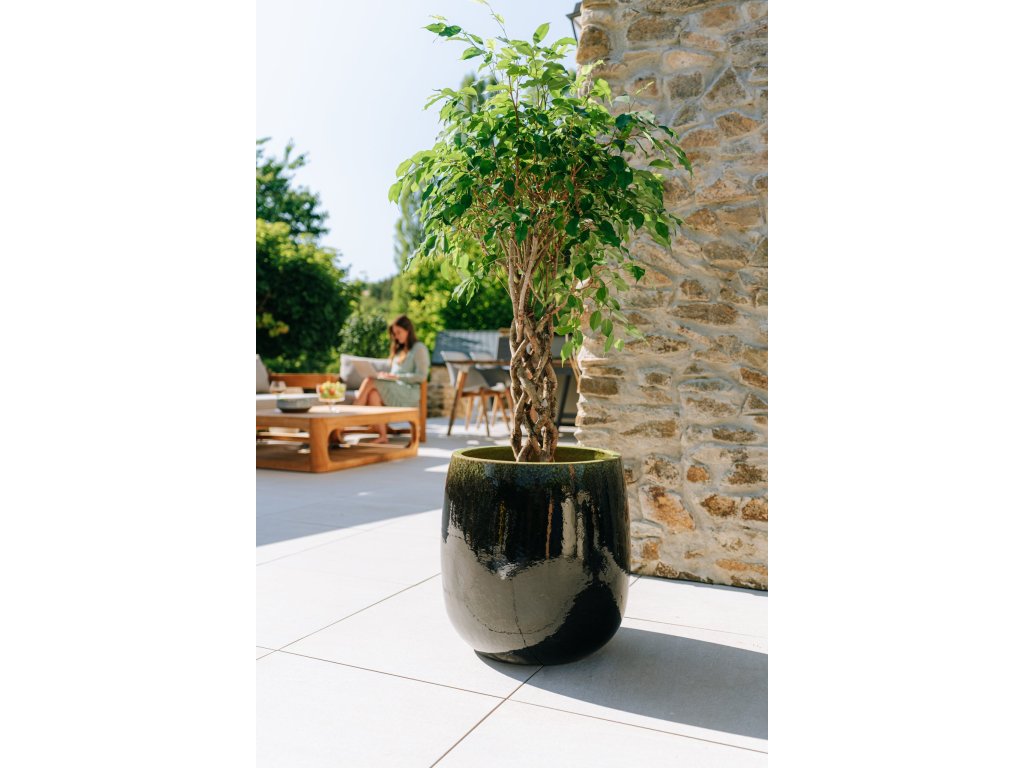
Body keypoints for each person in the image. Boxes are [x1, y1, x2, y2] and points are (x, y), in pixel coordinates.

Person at [347, 315, 430, 444]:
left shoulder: (419, 348)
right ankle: (383, 436)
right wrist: (386, 376)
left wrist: (397, 377)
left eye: (398, 332)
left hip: (409, 392)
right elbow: (395, 373)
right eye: (394, 334)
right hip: (395, 387)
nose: (396, 336)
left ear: (408, 330)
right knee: (373, 395)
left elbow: (422, 376)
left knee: (370, 380)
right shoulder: (399, 350)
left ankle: (349, 418)